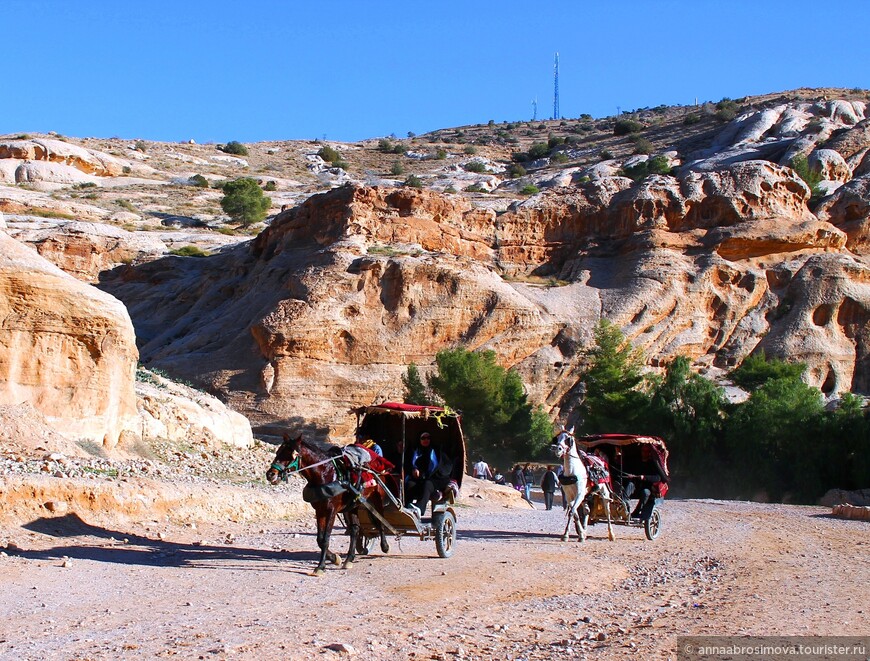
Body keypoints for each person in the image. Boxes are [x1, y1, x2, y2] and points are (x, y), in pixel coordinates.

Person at [622, 444, 668, 520]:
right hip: (636, 485)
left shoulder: (653, 464)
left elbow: (658, 477)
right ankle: (623, 506)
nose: (644, 453)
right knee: (630, 484)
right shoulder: (636, 461)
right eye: (643, 451)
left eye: (647, 451)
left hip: (647, 487)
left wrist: (645, 477)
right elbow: (628, 470)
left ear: (650, 452)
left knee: (645, 492)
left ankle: (636, 512)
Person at [404, 432, 439, 516]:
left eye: (428, 438)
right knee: (409, 484)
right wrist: (414, 469)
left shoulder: (435, 451)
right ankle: (406, 509)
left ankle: (419, 509)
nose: (426, 440)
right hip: (418, 479)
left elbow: (438, 466)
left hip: (431, 479)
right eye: (423, 438)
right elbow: (410, 464)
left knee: (427, 484)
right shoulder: (416, 451)